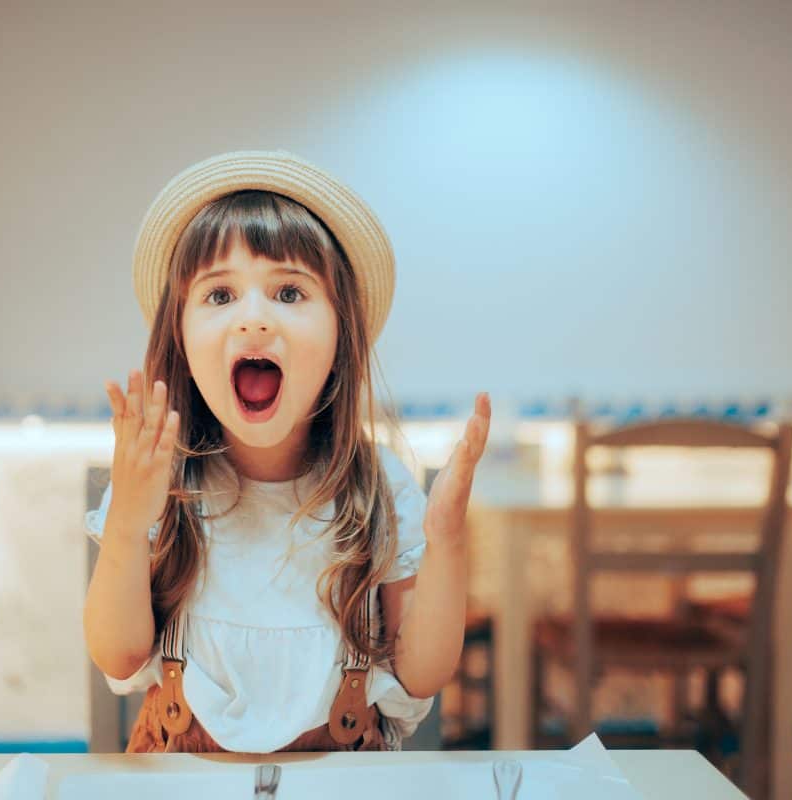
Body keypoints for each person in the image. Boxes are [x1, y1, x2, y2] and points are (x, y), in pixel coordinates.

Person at [83, 151, 490, 753]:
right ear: (181, 337)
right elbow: (118, 656)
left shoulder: (377, 487)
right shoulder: (160, 486)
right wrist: (125, 526)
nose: (253, 320)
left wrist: (447, 536)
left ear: (340, 333)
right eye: (220, 296)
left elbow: (420, 674)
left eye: (289, 293)